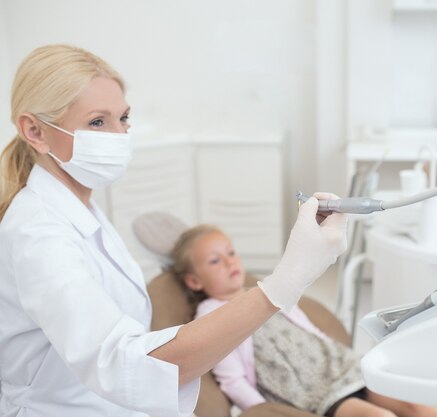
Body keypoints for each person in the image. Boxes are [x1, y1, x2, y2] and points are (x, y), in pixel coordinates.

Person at [0, 44, 348, 417]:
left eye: (124, 118)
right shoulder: (37, 235)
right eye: (98, 122)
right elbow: (123, 366)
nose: (119, 135)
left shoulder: (78, 207)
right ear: (34, 130)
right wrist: (285, 282)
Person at [170, 225, 437, 417]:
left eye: (230, 252)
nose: (229, 262)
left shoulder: (265, 291)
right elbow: (231, 378)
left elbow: (308, 328)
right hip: (312, 392)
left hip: (339, 365)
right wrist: (262, 409)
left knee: (414, 405)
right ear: (194, 281)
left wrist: (339, 352)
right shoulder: (210, 313)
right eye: (214, 260)